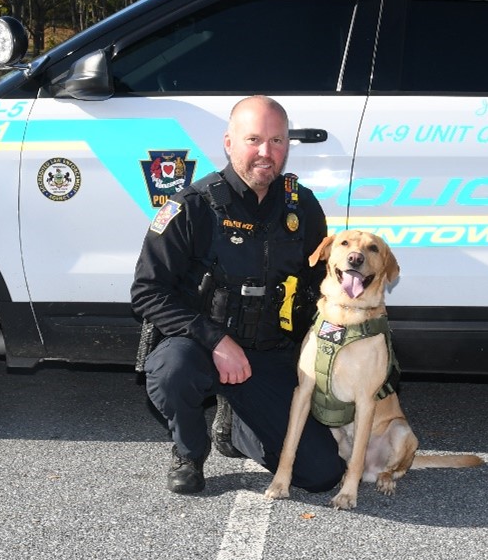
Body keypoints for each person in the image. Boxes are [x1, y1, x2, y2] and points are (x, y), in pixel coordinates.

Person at [132, 96, 347, 495]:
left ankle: (237, 427)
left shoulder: (302, 206)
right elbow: (148, 291)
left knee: (321, 473)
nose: (266, 152)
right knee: (172, 370)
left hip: (269, 352)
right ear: (229, 142)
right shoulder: (192, 207)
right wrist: (216, 340)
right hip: (198, 345)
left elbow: (320, 284)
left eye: (277, 140)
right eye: (254, 140)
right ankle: (188, 451)